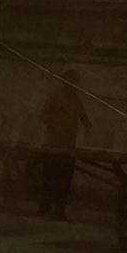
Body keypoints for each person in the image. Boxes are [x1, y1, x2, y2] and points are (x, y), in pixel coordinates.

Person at [39, 69, 92, 219]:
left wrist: (90, 127)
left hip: (68, 147)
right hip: (52, 146)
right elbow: (43, 114)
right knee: (49, 179)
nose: (74, 85)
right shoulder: (54, 96)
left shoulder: (76, 100)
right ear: (64, 81)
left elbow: (85, 118)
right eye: (71, 81)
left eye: (75, 82)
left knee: (65, 180)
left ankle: (59, 211)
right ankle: (45, 209)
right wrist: (55, 126)